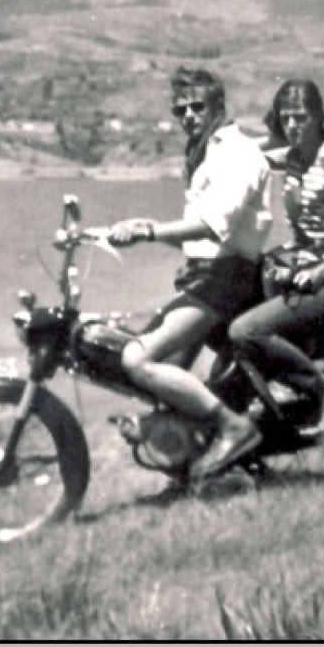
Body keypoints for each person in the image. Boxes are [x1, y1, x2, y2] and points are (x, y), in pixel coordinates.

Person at [107, 66, 272, 480]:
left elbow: (214, 225)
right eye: (181, 110)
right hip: (204, 276)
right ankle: (188, 468)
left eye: (198, 106)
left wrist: (147, 230)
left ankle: (236, 427)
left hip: (227, 278)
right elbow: (192, 237)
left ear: (219, 105)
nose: (189, 116)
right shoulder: (203, 152)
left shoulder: (237, 153)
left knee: (138, 359)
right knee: (161, 380)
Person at [227, 79, 324, 428]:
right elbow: (251, 156)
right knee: (228, 295)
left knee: (245, 331)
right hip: (301, 269)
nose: (294, 125)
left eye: (301, 117)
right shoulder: (296, 159)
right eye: (286, 118)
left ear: (318, 117)